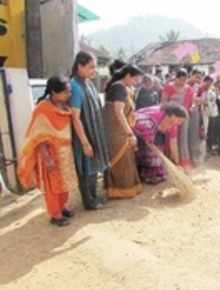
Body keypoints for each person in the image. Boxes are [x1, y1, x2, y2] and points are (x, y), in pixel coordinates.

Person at [18, 76, 78, 227]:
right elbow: (39, 137)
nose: (69, 94)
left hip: (66, 152)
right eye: (66, 92)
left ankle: (63, 207)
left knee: (65, 183)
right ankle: (55, 215)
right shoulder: (42, 110)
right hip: (50, 154)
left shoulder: (64, 106)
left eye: (69, 91)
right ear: (53, 92)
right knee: (53, 186)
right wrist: (47, 158)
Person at [70, 51, 109, 210]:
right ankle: (89, 201)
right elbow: (75, 118)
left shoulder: (88, 83)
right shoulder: (75, 86)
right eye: (91, 67)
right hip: (83, 135)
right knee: (85, 167)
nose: (94, 70)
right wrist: (85, 143)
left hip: (94, 133)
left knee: (93, 166)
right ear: (80, 66)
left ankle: (94, 196)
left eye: (95, 67)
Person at [102, 64, 144, 199]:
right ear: (127, 75)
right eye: (135, 79)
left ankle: (127, 188)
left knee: (127, 158)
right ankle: (118, 190)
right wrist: (130, 133)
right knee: (122, 159)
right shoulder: (119, 88)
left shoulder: (121, 87)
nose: (136, 82)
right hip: (116, 130)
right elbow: (118, 112)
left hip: (120, 128)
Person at [133, 103, 187, 184]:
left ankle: (152, 173)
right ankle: (144, 174)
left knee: (157, 154)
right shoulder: (155, 115)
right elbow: (149, 142)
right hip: (136, 123)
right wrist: (154, 149)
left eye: (181, 122)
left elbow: (173, 144)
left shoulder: (173, 125)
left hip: (149, 132)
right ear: (172, 115)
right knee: (150, 152)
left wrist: (177, 163)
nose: (179, 123)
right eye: (179, 120)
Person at [161, 68, 194, 171]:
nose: (183, 82)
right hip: (171, 117)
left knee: (183, 139)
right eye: (181, 80)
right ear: (176, 78)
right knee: (170, 139)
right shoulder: (169, 87)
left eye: (185, 80)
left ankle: (184, 162)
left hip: (184, 117)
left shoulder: (188, 89)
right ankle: (171, 161)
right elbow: (163, 103)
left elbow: (192, 102)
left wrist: (192, 107)